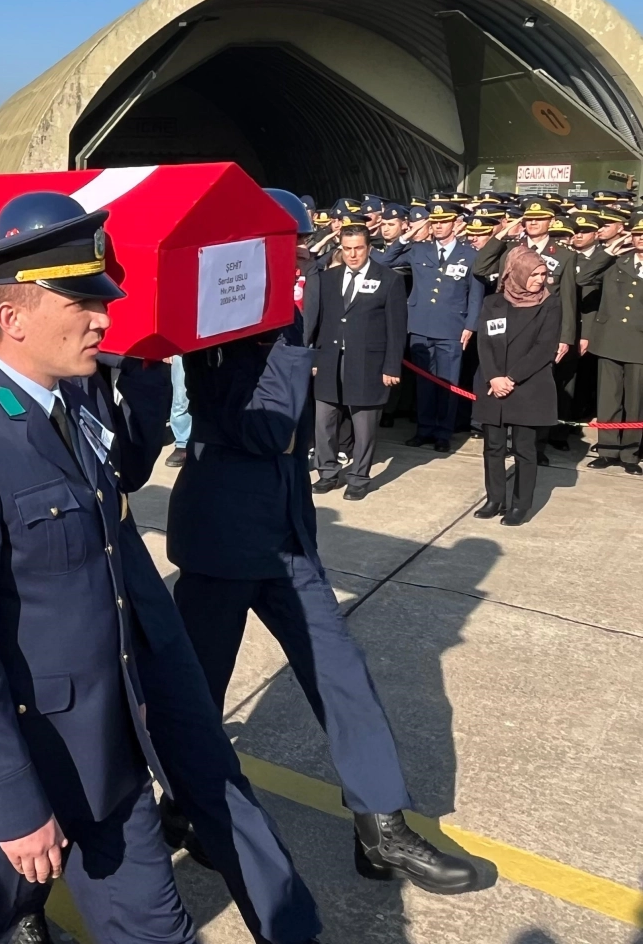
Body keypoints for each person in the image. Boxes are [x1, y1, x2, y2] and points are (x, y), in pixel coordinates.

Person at [0, 193, 324, 944]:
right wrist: (12, 803)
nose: (104, 319)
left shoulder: (67, 405)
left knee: (159, 929)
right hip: (12, 772)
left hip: (106, 747)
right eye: (84, 303)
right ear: (14, 318)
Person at [168, 310, 482, 896]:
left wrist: (286, 335)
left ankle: (381, 828)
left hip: (287, 537)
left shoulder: (279, 317)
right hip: (223, 539)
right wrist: (289, 349)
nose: (299, 267)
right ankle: (186, 806)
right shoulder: (214, 317)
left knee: (343, 676)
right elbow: (269, 430)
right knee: (197, 693)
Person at [305, 223, 406, 499]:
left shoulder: (389, 280)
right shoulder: (328, 278)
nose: (352, 254)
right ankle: (327, 472)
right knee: (324, 421)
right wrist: (314, 357)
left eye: (358, 248)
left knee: (364, 426)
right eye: (347, 248)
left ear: (369, 248)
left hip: (368, 363)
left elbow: (397, 328)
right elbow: (318, 322)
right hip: (329, 359)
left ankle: (359, 477)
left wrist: (391, 366)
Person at [474, 197, 578, 455]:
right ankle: (507, 440)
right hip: (507, 329)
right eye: (528, 218)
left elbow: (567, 297)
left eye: (539, 219)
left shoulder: (563, 254)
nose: (533, 223)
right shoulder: (510, 248)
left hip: (542, 331)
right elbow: (480, 267)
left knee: (535, 392)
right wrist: (501, 235)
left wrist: (565, 337)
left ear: (551, 222)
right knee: (504, 387)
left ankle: (534, 448)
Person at [376, 200, 483, 452]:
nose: (438, 226)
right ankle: (424, 429)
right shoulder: (418, 250)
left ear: (456, 224)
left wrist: (470, 326)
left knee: (448, 383)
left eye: (444, 222)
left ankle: (443, 433)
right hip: (420, 325)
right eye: (434, 222)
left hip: (451, 327)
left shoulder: (469, 255)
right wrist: (406, 236)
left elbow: (475, 295)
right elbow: (383, 262)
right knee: (424, 383)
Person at [473, 247, 562, 525]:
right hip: (493, 384)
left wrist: (511, 378)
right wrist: (494, 377)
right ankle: (495, 498)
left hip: (527, 385)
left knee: (525, 449)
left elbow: (544, 348)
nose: (540, 280)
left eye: (543, 274)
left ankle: (520, 505)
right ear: (516, 273)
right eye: (533, 274)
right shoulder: (493, 302)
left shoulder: (550, 304)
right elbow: (484, 342)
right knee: (493, 446)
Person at [584, 216, 643, 474]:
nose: (641, 238)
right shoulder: (617, 261)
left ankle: (630, 453)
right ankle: (607, 450)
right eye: (637, 233)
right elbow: (584, 276)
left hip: (639, 343)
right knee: (609, 399)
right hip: (610, 339)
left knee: (635, 401)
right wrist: (608, 251)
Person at [568, 210, 617, 422]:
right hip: (565, 324)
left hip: (593, 326)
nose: (578, 235)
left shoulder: (608, 259)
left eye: (585, 231)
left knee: (587, 377)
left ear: (596, 234)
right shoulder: (564, 255)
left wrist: (587, 333)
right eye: (576, 231)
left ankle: (580, 415)